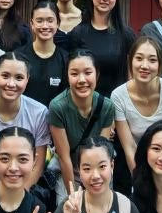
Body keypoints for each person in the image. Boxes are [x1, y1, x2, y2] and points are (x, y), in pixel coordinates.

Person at [111, 35, 162, 180]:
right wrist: (142, 183)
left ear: (160, 65)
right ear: (130, 61)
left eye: (152, 60)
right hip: (138, 166)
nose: (144, 66)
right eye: (139, 58)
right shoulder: (118, 96)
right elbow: (130, 148)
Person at [0, 51, 51, 185]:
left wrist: (21, 193)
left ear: (27, 79)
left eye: (19, 78)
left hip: (27, 184)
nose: (11, 84)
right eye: (5, 76)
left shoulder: (39, 113)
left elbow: (38, 164)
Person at [49, 49, 116, 199]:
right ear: (67, 77)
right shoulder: (58, 107)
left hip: (97, 168)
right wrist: (74, 196)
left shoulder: (107, 106)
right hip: (69, 169)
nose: (81, 80)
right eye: (74, 74)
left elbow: (101, 151)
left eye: (88, 73)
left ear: (97, 75)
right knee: (67, 208)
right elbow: (64, 157)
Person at [62, 0, 135, 96]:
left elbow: (131, 75)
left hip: (117, 103)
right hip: (85, 101)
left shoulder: (126, 35)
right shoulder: (78, 34)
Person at [19, 0, 68, 107]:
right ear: (32, 24)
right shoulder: (19, 57)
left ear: (58, 23)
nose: (45, 26)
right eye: (39, 21)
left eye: (50, 21)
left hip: (55, 117)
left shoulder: (66, 59)